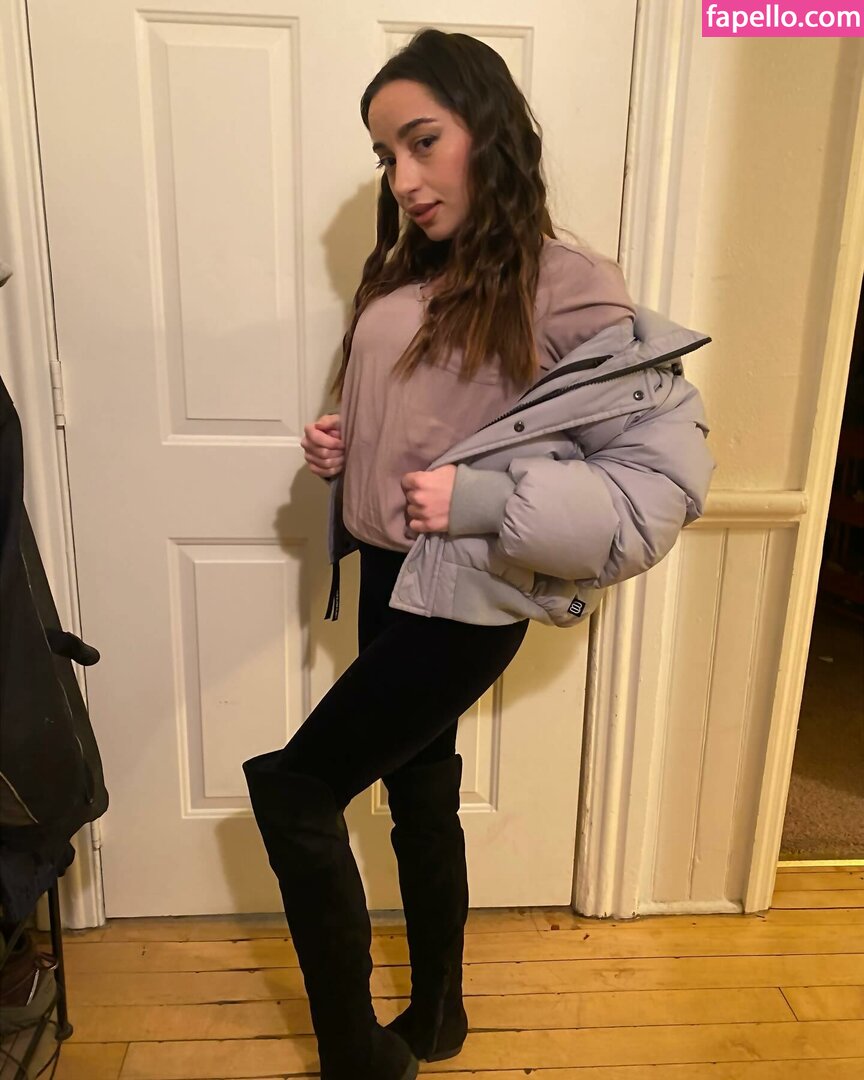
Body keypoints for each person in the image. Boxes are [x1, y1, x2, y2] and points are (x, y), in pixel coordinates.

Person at [243, 28, 714, 1080]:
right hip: (386, 574)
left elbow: (657, 486)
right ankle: (440, 1016)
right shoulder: (408, 271)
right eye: (386, 157)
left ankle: (360, 1061)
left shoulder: (570, 284)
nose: (404, 180)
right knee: (420, 793)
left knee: (296, 789)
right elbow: (445, 414)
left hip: (462, 600)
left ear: (488, 132)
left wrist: (486, 500)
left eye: (424, 142)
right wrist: (348, 443)